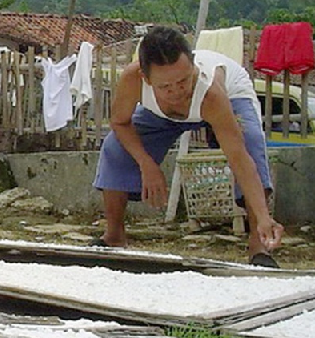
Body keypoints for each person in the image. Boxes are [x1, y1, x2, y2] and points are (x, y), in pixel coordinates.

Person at [91, 26, 284, 267]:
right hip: (160, 115)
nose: (176, 92)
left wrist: (265, 217)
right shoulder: (132, 79)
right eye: (165, 87)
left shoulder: (211, 93)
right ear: (146, 79)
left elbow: (240, 158)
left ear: (193, 67)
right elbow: (119, 122)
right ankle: (114, 235)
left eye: (183, 81)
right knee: (115, 146)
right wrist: (146, 164)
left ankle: (259, 246)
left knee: (252, 142)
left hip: (230, 97)